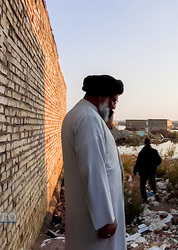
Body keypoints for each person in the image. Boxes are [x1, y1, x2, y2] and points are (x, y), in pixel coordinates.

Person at [61, 75, 126, 250]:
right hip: (95, 224)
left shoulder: (86, 115)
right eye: (113, 100)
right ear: (101, 95)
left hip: (91, 217)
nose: (113, 106)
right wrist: (104, 219)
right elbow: (92, 168)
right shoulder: (88, 119)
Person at [133, 138, 162, 203]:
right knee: (153, 183)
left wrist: (135, 171)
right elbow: (159, 161)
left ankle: (145, 199)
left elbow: (138, 163)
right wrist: (155, 165)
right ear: (150, 143)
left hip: (143, 171)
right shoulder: (154, 151)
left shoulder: (142, 152)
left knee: (142, 185)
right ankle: (156, 193)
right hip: (152, 170)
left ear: (144, 143)